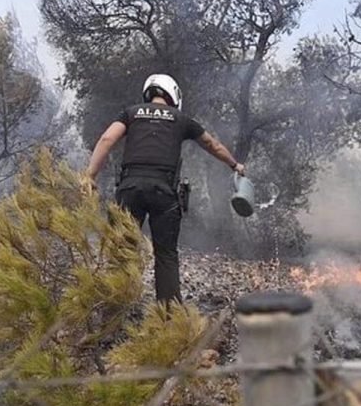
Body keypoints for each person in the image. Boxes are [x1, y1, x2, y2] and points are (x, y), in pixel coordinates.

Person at [82, 74, 245, 304]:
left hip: (130, 188)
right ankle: (169, 317)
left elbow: (107, 139)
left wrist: (90, 175)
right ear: (173, 95)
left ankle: (114, 309)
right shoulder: (182, 119)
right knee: (166, 255)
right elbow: (212, 144)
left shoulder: (130, 113)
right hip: (163, 191)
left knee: (121, 251)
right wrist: (234, 165)